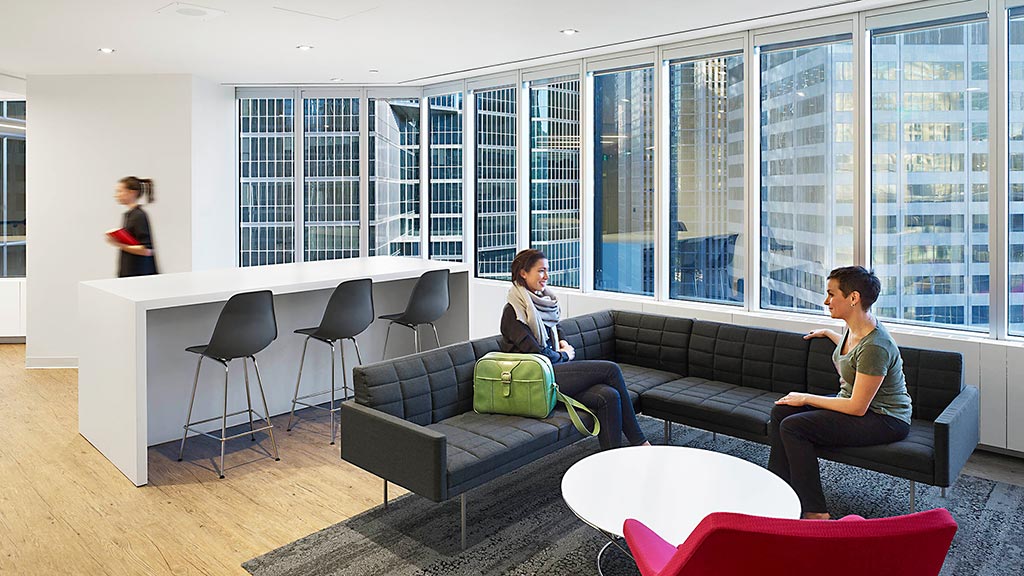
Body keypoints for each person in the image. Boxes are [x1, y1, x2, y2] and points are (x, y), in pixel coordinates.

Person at [768, 266, 912, 519]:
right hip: (859, 408)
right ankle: (778, 490)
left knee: (793, 427)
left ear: (853, 298)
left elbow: (857, 407)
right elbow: (854, 352)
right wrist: (828, 334)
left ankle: (815, 512)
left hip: (886, 419)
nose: (826, 301)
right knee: (782, 410)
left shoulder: (876, 346)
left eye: (831, 294)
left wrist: (805, 397)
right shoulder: (854, 328)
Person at [500, 249, 650, 450]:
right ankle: (640, 442)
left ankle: (611, 459)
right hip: (533, 378)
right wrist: (564, 354)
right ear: (523, 273)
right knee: (610, 369)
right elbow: (538, 354)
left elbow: (557, 331)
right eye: (541, 271)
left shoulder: (544, 303)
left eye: (547, 270)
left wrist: (561, 344)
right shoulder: (513, 312)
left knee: (609, 396)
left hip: (552, 371)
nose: (546, 276)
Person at [108, 176, 159, 278]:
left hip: (139, 275)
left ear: (132, 193)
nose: (116, 195)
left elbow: (146, 250)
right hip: (130, 273)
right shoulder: (129, 215)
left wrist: (118, 244)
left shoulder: (139, 216)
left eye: (120, 191)